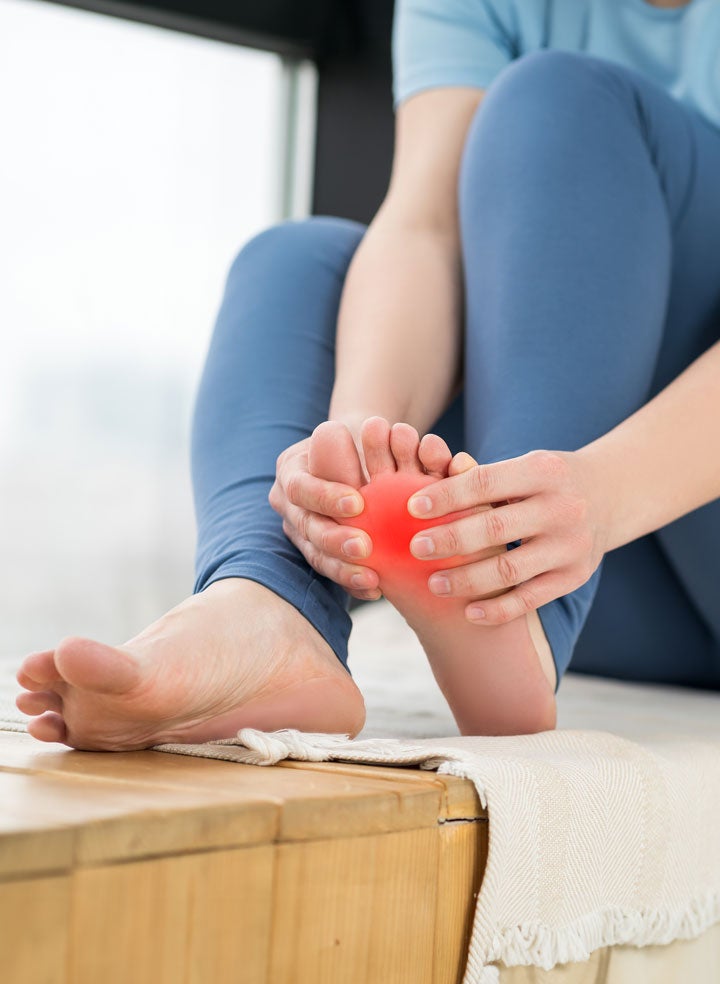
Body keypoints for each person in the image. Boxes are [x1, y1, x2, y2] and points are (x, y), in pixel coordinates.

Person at [16, 0, 720, 750]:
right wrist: (353, 453)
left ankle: (513, 597)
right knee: (294, 264)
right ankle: (271, 611)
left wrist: (600, 495)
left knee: (564, 103)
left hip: (630, 530)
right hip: (625, 595)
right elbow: (425, 227)